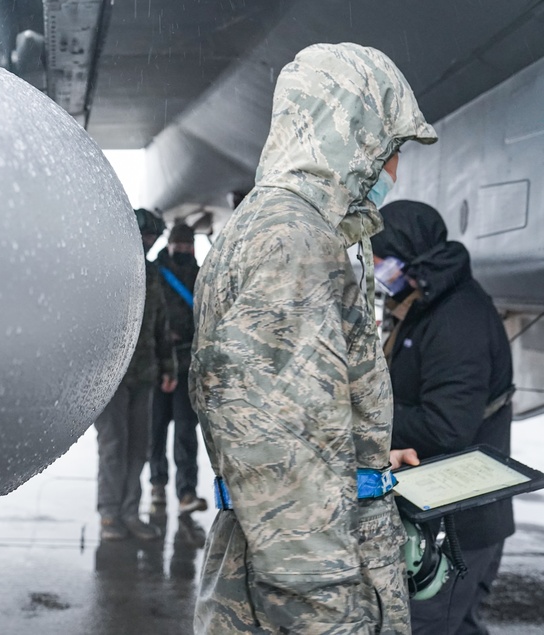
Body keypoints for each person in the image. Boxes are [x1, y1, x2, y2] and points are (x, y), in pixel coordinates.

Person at [188, 42, 436, 633]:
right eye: (392, 147)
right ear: (354, 133)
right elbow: (282, 471)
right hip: (307, 595)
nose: (395, 170)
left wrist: (364, 465)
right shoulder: (294, 245)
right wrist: (331, 618)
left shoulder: (277, 227)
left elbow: (288, 426)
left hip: (277, 563)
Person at [372, 200, 514, 635]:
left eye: (381, 260)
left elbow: (448, 426)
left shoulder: (457, 318)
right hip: (442, 514)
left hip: (462, 525)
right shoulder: (426, 301)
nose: (377, 270)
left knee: (431, 626)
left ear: (408, 256)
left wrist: (368, 419)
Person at [96, 208, 177, 541]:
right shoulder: (106, 270)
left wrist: (168, 366)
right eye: (145, 236)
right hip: (110, 380)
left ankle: (130, 512)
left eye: (153, 238)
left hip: (144, 375)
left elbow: (161, 324)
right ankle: (109, 513)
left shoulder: (152, 274)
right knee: (114, 446)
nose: (148, 242)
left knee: (138, 448)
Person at [149, 222, 208, 515]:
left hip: (186, 366)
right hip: (159, 365)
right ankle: (157, 486)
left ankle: (186, 492)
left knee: (186, 431)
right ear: (169, 245)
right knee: (155, 430)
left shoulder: (199, 276)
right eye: (179, 245)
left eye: (188, 246)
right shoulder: (156, 274)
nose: (184, 250)